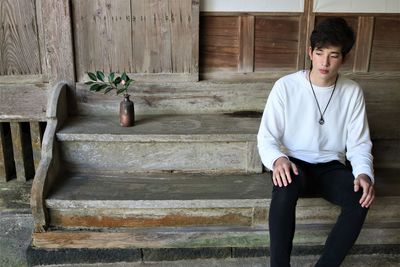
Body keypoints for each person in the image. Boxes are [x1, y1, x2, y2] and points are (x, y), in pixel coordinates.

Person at [257, 17, 375, 267]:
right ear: (310, 52)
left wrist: (364, 173)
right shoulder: (286, 86)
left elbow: (359, 143)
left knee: (360, 198)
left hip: (331, 167)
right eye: (320, 53)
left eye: (333, 55)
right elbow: (267, 136)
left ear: (344, 58)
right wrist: (278, 159)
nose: (325, 62)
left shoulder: (351, 91)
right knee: (285, 187)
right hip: (294, 164)